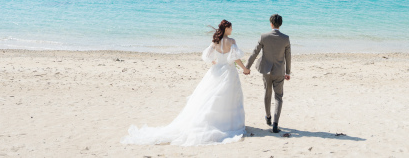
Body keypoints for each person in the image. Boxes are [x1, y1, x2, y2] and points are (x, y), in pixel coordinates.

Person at [122, 19, 250, 146]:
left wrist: (214, 62)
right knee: (228, 97)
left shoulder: (215, 41)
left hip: (216, 70)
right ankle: (229, 124)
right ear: (226, 28)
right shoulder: (231, 41)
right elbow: (235, 58)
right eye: (231, 28)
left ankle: (215, 122)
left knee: (210, 97)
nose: (232, 30)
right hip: (228, 71)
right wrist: (244, 69)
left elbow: (207, 55)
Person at [246, 13, 292, 133]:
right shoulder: (285, 38)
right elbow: (288, 56)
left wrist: (247, 67)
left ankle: (268, 118)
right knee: (278, 97)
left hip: (266, 71)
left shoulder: (264, 36)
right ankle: (276, 123)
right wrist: (288, 72)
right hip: (279, 71)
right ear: (280, 24)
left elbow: (254, 53)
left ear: (271, 23)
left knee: (267, 93)